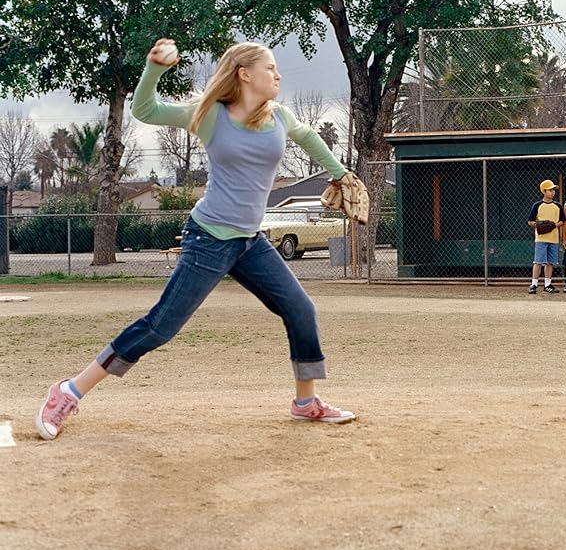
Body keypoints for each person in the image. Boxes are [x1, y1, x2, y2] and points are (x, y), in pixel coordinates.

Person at [35, 39, 357, 441]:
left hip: (249, 241)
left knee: (301, 310)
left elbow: (309, 136)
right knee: (160, 327)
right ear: (244, 74)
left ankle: (306, 401)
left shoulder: (279, 117)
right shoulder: (211, 116)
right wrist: (154, 68)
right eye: (270, 67)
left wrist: (340, 174)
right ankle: (69, 390)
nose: (277, 74)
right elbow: (145, 110)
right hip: (208, 238)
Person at [528, 179, 566, 294]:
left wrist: (553, 225)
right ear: (544, 191)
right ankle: (534, 284)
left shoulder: (558, 206)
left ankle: (547, 284)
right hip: (541, 238)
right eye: (550, 190)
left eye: (553, 190)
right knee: (538, 261)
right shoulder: (537, 205)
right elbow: (530, 221)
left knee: (550, 262)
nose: (553, 192)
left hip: (553, 238)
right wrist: (539, 225)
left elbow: (562, 221)